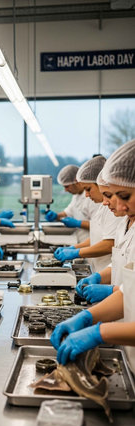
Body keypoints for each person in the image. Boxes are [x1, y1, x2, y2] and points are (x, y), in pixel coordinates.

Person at [50, 139, 135, 369]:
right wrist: (88, 317)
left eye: (124, 196)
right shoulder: (127, 223)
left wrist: (99, 332)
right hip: (127, 344)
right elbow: (130, 290)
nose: (116, 204)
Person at [53, 155, 124, 272]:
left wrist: (77, 252)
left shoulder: (115, 211)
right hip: (100, 268)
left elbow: (109, 244)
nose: (86, 195)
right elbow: (96, 238)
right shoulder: (103, 207)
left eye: (88, 189)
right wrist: (74, 248)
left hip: (107, 270)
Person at [75, 169, 129, 303]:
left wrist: (77, 252)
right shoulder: (124, 223)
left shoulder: (117, 216)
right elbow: (120, 261)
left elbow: (109, 243)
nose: (105, 202)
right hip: (119, 304)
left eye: (109, 195)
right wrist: (99, 277)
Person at [45, 164, 96, 241]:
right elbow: (68, 212)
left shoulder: (93, 198)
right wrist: (56, 216)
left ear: (76, 181)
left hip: (93, 244)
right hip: (82, 243)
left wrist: (77, 223)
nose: (65, 190)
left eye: (67, 186)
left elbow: (98, 227)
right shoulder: (76, 195)